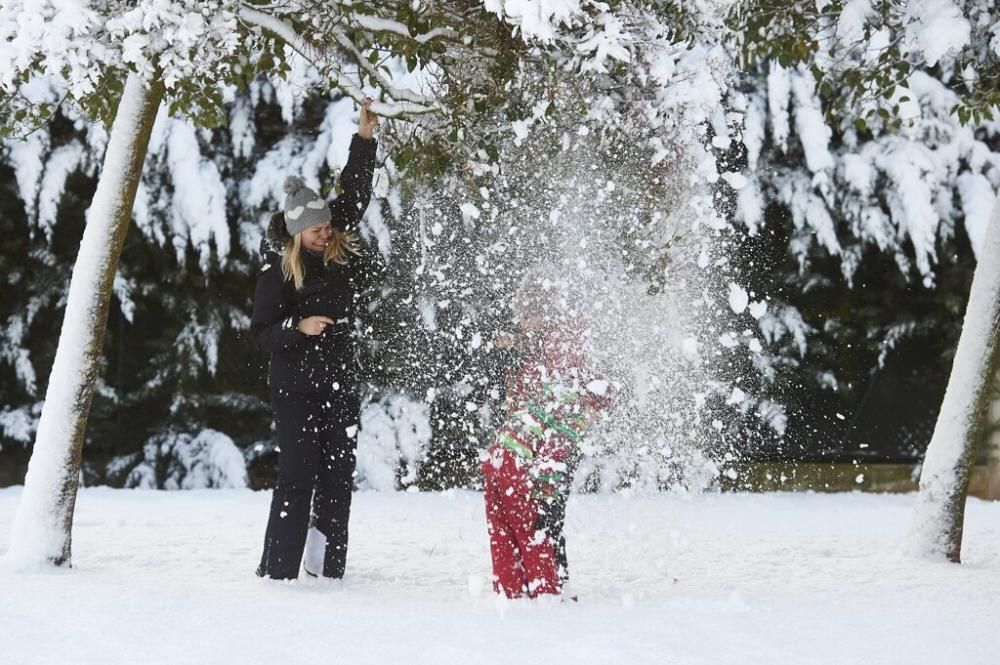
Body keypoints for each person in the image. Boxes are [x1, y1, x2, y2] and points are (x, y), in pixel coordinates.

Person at [251, 99, 379, 580]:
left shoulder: (333, 235)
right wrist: (296, 328)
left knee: (338, 478)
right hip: (294, 387)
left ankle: (328, 570)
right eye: (318, 231)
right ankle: (279, 570)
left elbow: (356, 192)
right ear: (297, 235)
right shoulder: (277, 274)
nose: (327, 234)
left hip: (340, 381)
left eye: (329, 226)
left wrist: (364, 139)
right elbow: (260, 334)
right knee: (297, 476)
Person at [482, 279, 610, 598]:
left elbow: (540, 409)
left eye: (528, 317)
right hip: (523, 458)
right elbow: (550, 449)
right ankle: (546, 590)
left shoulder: (558, 349)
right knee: (539, 527)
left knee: (521, 527)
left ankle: (520, 588)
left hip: (513, 454)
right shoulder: (540, 357)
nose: (523, 324)